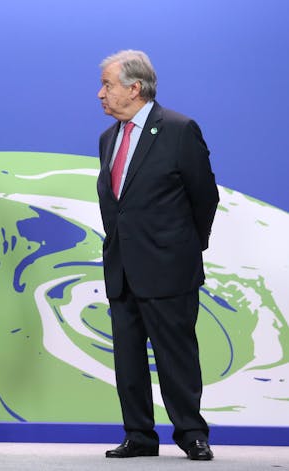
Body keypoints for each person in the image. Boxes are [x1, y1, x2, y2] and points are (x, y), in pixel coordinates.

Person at [96, 50, 219, 461]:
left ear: (135, 88)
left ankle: (191, 434)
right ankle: (139, 436)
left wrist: (185, 248)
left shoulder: (179, 130)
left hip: (170, 267)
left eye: (108, 85)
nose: (101, 94)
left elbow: (205, 197)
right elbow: (117, 205)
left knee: (177, 358)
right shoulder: (108, 138)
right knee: (128, 362)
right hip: (123, 269)